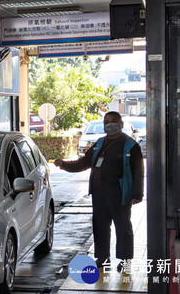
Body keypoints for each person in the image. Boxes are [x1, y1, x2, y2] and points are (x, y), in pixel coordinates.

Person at [54, 111, 144, 272]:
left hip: (120, 194)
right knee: (100, 226)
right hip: (99, 194)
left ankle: (125, 260)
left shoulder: (130, 145)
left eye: (114, 121)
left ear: (121, 124)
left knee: (123, 227)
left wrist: (137, 194)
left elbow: (138, 170)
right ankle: (102, 257)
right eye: (107, 121)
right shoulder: (100, 143)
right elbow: (83, 162)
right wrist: (64, 165)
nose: (110, 124)